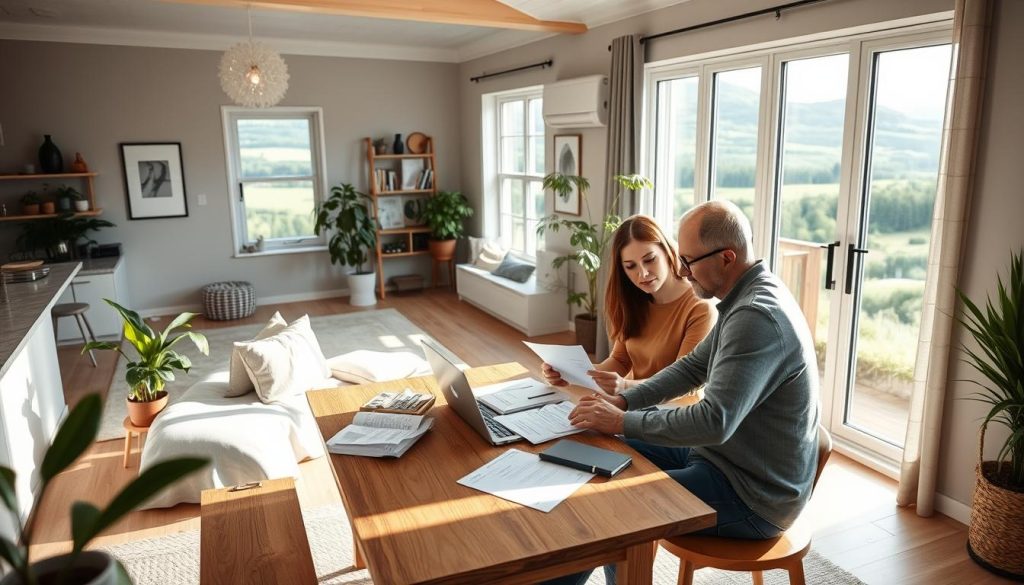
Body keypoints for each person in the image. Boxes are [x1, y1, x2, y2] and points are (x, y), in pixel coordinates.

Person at [544, 201, 821, 585]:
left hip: (753, 495)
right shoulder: (744, 297)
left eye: (688, 261)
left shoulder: (755, 316)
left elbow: (714, 421)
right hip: (721, 459)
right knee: (597, 448)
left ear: (727, 257)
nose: (683, 270)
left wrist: (624, 419)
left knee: (614, 507)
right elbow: (692, 368)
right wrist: (623, 401)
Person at [542, 214, 714, 394]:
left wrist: (625, 386)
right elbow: (620, 361)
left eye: (649, 260)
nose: (643, 274)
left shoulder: (700, 308)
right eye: (630, 266)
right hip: (633, 402)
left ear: (667, 251)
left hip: (675, 412)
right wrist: (569, 374)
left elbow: (684, 383)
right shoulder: (634, 300)